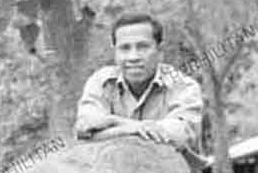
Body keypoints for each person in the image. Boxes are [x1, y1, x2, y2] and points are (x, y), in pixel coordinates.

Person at [74, 12, 204, 154]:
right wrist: (135, 128)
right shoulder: (101, 82)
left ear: (160, 50)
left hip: (172, 172)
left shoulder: (183, 86)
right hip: (112, 171)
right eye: (124, 48)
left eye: (142, 47)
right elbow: (85, 135)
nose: (133, 57)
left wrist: (113, 122)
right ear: (115, 52)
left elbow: (177, 137)